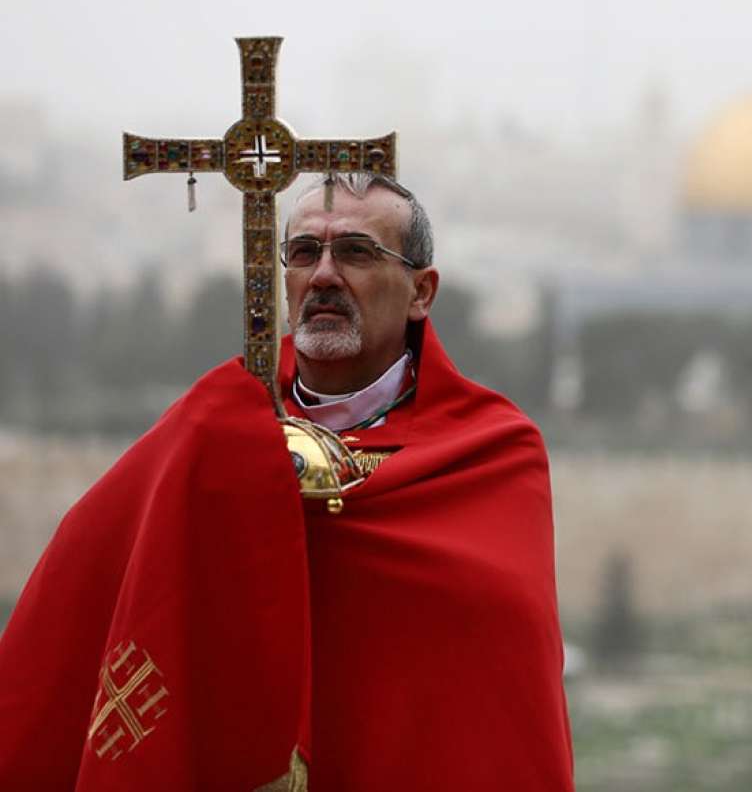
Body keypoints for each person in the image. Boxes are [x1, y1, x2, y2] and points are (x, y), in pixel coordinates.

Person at [0, 173, 575, 791]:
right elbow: (90, 573)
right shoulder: (209, 422)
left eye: (356, 252)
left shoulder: (492, 451)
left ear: (421, 291)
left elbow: (500, 679)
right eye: (304, 253)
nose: (323, 275)